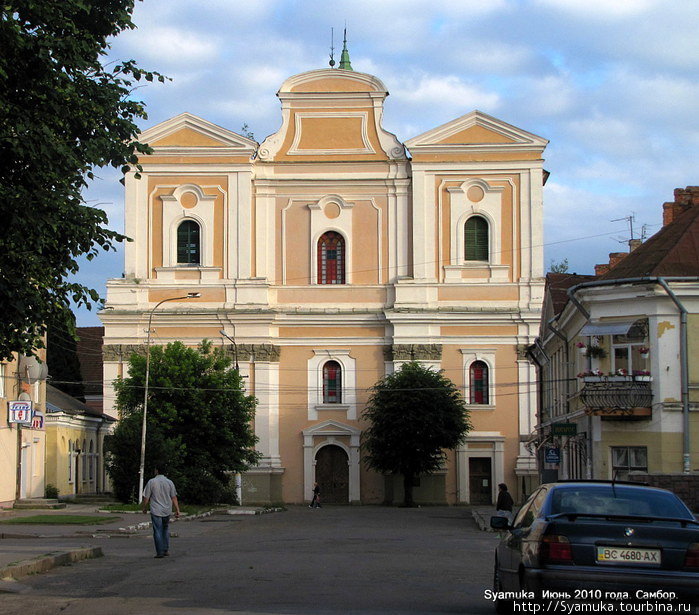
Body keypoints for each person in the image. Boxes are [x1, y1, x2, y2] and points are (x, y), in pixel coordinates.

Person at [142, 468, 180, 558]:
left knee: (157, 530)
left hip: (156, 510)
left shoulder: (151, 482)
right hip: (167, 510)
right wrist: (177, 509)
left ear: (156, 471)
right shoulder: (170, 482)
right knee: (165, 529)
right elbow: (174, 497)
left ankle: (159, 552)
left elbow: (146, 497)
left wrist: (144, 507)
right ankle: (165, 549)